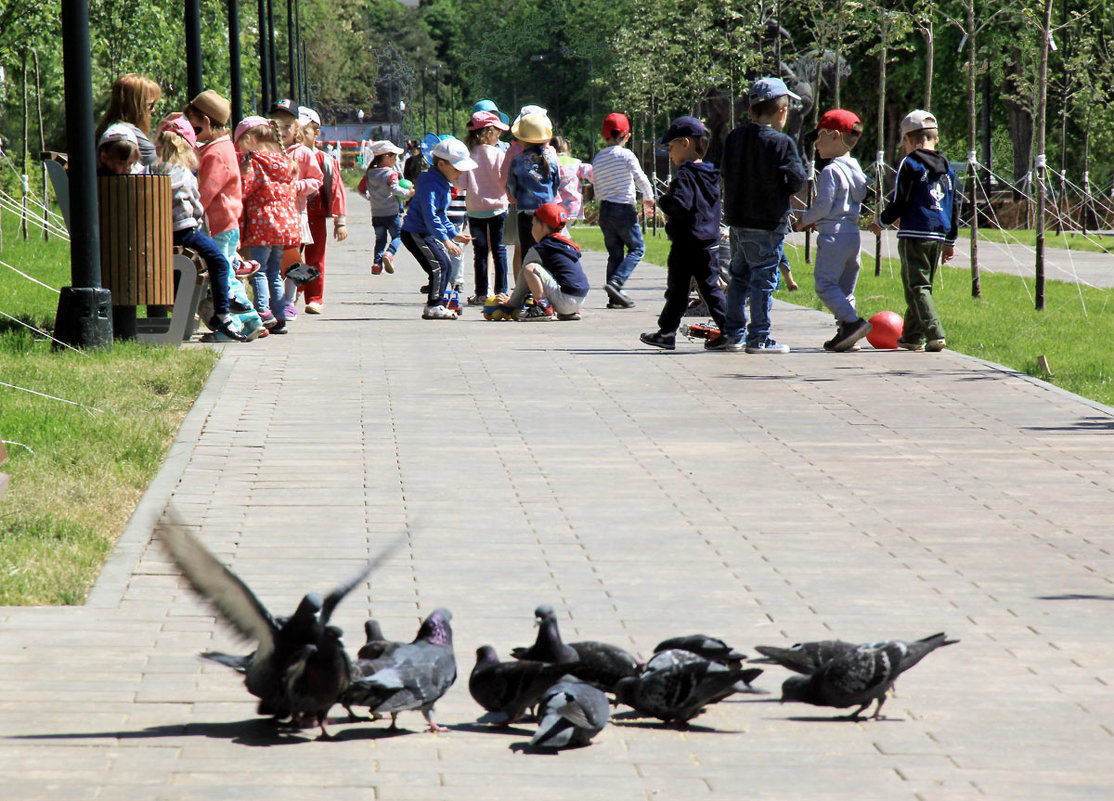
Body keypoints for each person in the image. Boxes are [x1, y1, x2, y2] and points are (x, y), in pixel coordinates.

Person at [721, 77, 807, 354]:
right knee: (763, 281)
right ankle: (759, 338)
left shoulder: (734, 137)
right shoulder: (782, 143)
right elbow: (797, 179)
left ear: (750, 111)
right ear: (783, 111)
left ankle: (733, 335)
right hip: (768, 224)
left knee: (739, 277)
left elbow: (725, 173)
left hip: (738, 221)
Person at [869, 110, 958, 352]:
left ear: (907, 139)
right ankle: (912, 337)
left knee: (917, 287)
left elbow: (901, 201)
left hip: (915, 233)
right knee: (919, 286)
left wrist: (881, 222)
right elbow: (955, 207)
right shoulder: (948, 169)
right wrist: (950, 241)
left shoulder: (910, 164)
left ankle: (934, 332)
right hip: (938, 234)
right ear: (936, 139)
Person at [639, 117, 728, 351]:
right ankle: (730, 331)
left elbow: (680, 204)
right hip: (708, 241)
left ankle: (667, 333)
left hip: (686, 243)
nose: (669, 153)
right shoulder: (710, 174)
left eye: (670, 147)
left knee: (678, 289)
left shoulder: (686, 175)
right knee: (710, 288)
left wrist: (663, 200)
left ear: (685, 143)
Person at [154, 118, 246, 342]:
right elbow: (196, 206)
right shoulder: (185, 175)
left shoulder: (151, 170)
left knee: (210, 257)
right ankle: (223, 312)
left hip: (158, 234)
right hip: (184, 233)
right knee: (218, 259)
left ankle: (224, 296)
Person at [794, 109, 872, 352]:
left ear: (835, 136)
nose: (816, 144)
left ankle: (853, 323)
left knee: (825, 285)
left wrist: (803, 220)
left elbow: (823, 206)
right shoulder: (857, 171)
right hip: (852, 236)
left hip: (833, 237)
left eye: (819, 137)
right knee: (845, 289)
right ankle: (848, 335)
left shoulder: (830, 170)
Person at [184, 90, 257, 322]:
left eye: (193, 124)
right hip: (225, 224)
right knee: (226, 274)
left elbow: (205, 192)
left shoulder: (217, 153)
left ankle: (237, 322)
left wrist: (189, 212)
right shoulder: (220, 147)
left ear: (205, 122)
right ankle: (250, 320)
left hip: (219, 226)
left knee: (222, 275)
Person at [235, 116, 301, 334]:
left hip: (263, 223)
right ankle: (279, 315)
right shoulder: (286, 162)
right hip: (284, 225)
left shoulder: (256, 162)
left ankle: (263, 312)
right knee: (274, 271)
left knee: (259, 270)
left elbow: (245, 190)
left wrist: (241, 175)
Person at [400, 137, 476, 320]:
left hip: (424, 232)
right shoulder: (431, 184)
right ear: (442, 164)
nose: (460, 174)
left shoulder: (441, 183)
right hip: (416, 233)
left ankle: (437, 303)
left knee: (444, 265)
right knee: (440, 266)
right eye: (457, 169)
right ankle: (434, 305)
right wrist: (446, 240)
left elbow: (441, 215)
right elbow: (430, 216)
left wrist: (454, 234)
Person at [590, 112, 655, 309]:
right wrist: (649, 197)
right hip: (623, 210)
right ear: (626, 136)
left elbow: (597, 186)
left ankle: (614, 298)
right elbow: (640, 177)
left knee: (615, 253)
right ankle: (617, 283)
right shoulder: (626, 155)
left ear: (604, 136)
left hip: (605, 210)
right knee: (637, 248)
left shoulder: (599, 157)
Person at [270, 99, 323, 319]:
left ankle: (289, 301)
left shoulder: (302, 153)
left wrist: (298, 186)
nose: (281, 131)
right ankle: (272, 300)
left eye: (287, 126)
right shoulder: (267, 150)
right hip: (270, 215)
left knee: (292, 259)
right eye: (276, 125)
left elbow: (317, 179)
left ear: (296, 129)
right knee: (272, 258)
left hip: (294, 215)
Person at [492, 202, 589, 322]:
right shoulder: (566, 245)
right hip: (580, 299)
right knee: (554, 272)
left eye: (533, 224)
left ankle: (543, 307)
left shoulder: (539, 249)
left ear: (541, 226)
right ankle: (569, 311)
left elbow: (523, 276)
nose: (531, 229)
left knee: (530, 268)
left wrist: (512, 302)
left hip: (565, 299)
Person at [300, 106, 348, 314]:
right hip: (290, 216)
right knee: (289, 257)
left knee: (315, 258)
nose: (299, 137)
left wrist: (340, 221)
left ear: (316, 133)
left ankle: (314, 298)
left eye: (305, 132)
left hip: (315, 216)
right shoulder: (286, 156)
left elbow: (336, 190)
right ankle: (294, 289)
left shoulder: (325, 160)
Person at [462, 110, 510, 304]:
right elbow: (505, 180)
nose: (498, 137)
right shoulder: (499, 154)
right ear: (489, 133)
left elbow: (461, 183)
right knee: (499, 250)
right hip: (498, 207)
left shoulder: (468, 156)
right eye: (497, 134)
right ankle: (502, 291)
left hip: (475, 209)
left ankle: (481, 293)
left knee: (480, 252)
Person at [505, 112, 561, 277]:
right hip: (547, 212)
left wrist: (518, 197)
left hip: (525, 212)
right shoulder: (550, 159)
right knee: (547, 250)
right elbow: (556, 183)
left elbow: (511, 185)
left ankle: (529, 292)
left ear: (522, 139)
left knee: (528, 252)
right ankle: (546, 289)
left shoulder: (517, 161)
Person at [363, 140, 412, 276]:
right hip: (391, 213)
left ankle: (377, 265)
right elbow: (394, 188)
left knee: (380, 239)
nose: (396, 160)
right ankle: (389, 254)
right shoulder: (391, 173)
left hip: (376, 213)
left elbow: (361, 189)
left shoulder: (370, 172)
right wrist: (408, 193)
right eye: (394, 157)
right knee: (398, 235)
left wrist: (372, 198)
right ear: (386, 157)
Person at [95, 74, 161, 169]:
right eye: (150, 104)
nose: (153, 110)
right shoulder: (127, 132)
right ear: (136, 106)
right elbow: (160, 166)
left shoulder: (107, 127)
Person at [552, 136, 592, 220]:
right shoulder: (576, 163)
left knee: (558, 230)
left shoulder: (549, 162)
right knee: (563, 231)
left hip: (554, 205)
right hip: (573, 205)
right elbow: (592, 173)